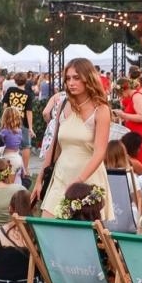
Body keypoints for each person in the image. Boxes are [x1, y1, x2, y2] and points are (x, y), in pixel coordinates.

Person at [36, 58, 113, 221]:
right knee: (47, 225)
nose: (71, 82)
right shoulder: (64, 104)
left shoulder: (101, 109)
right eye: (68, 78)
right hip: (61, 173)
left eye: (76, 78)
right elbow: (54, 147)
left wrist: (78, 182)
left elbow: (100, 153)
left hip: (87, 177)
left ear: (88, 78)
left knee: (82, 236)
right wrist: (39, 180)